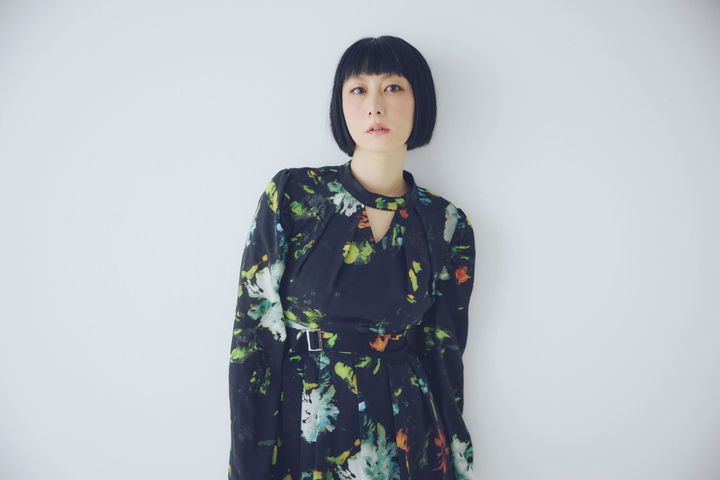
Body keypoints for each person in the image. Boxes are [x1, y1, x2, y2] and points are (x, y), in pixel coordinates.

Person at [227, 35, 477, 479]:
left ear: (420, 100)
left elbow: (444, 359)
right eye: (358, 89)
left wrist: (458, 467)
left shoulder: (446, 224)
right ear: (340, 105)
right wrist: (249, 467)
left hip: (407, 438)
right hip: (308, 431)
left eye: (393, 87)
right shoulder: (293, 196)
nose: (374, 106)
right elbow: (254, 345)